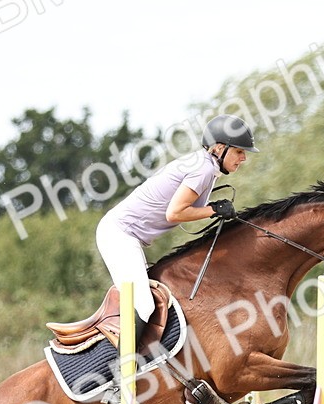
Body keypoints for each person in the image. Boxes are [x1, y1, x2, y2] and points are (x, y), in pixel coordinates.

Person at [95, 114, 259, 349]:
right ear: (220, 148)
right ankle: (120, 374)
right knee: (144, 304)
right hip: (119, 235)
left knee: (154, 299)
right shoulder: (203, 169)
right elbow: (175, 213)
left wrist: (214, 210)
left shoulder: (207, 166)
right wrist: (213, 209)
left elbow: (184, 211)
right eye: (239, 152)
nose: (243, 158)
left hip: (127, 237)